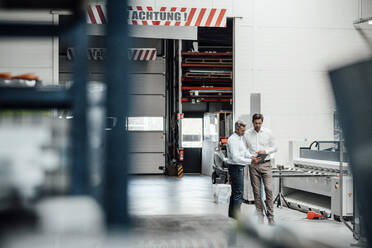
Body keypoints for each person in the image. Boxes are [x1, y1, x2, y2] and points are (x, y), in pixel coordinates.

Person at [244, 113, 277, 225]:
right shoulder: (247, 134)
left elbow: (275, 147)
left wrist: (266, 151)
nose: (258, 125)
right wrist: (250, 156)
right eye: (256, 123)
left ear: (262, 122)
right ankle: (260, 217)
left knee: (269, 189)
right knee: (257, 193)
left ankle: (271, 217)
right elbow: (244, 149)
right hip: (253, 165)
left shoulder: (268, 133)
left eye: (259, 123)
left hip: (266, 164)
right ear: (252, 122)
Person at [227, 120, 261, 219]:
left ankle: (232, 214)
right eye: (242, 130)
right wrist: (251, 162)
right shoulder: (233, 140)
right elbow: (235, 158)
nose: (244, 132)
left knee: (235, 192)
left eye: (244, 130)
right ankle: (236, 215)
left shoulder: (239, 138)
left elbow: (245, 151)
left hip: (238, 167)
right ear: (236, 129)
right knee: (239, 193)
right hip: (236, 167)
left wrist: (252, 157)